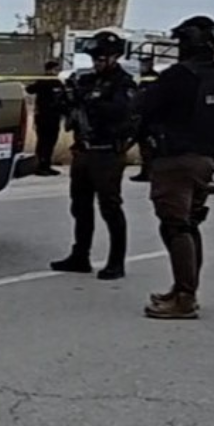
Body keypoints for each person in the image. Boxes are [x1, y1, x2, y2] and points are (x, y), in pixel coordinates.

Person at [139, 15, 214, 320]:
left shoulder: (179, 76)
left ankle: (184, 297)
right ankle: (184, 289)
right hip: (205, 158)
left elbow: (143, 106)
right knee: (190, 224)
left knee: (176, 226)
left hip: (175, 158)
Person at [50, 31, 137, 281]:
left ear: (115, 57)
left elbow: (122, 112)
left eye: (102, 57)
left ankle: (116, 261)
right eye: (94, 58)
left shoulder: (124, 83)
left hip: (108, 152)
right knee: (80, 206)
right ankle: (80, 255)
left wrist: (91, 102)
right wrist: (66, 99)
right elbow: (68, 108)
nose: (97, 62)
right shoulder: (86, 81)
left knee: (110, 207)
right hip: (84, 150)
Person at [25, 60, 65, 177]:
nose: (56, 72)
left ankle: (46, 165)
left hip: (54, 116)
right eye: (55, 69)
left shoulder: (57, 83)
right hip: (43, 116)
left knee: (51, 142)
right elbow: (29, 89)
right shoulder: (43, 81)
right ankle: (40, 166)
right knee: (43, 142)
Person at [131, 57, 159, 183]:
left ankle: (148, 172)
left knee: (147, 147)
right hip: (148, 117)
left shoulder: (150, 79)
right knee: (145, 147)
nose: (142, 66)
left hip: (147, 118)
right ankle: (147, 171)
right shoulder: (149, 78)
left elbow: (142, 98)